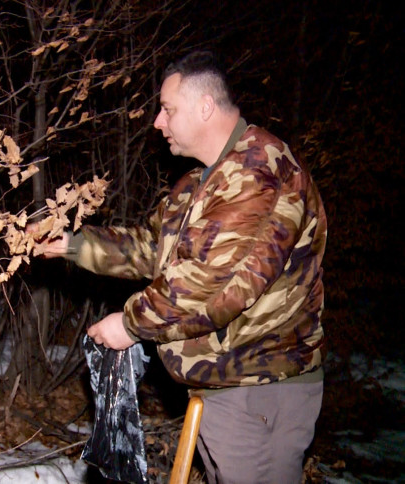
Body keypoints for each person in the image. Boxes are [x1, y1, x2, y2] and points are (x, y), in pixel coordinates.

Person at [35, 51, 327, 483]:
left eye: (168, 109)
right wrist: (74, 245)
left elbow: (205, 287)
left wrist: (129, 326)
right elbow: (152, 246)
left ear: (205, 107)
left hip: (260, 392)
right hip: (226, 387)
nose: (157, 121)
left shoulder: (258, 172)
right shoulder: (201, 182)